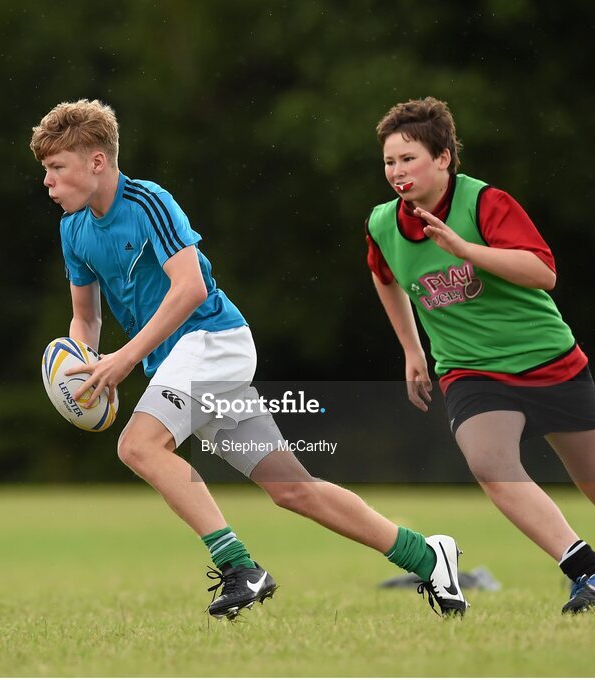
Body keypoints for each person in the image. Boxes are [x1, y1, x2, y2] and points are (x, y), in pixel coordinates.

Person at [29, 99, 466, 619]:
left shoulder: (147, 203)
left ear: (96, 162)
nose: (49, 183)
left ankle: (239, 567)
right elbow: (86, 318)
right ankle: (427, 554)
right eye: (47, 172)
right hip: (179, 362)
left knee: (138, 446)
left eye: (57, 168)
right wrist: (85, 365)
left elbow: (189, 288)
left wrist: (122, 360)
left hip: (213, 341)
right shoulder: (72, 229)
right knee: (293, 490)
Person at [365, 96, 595, 613]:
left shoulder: (486, 204)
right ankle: (593, 576)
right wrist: (412, 348)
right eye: (389, 161)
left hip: (548, 360)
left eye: (408, 158)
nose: (397, 171)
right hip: (470, 370)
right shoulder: (384, 223)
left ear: (443, 159)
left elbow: (544, 273)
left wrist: (466, 250)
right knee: (490, 464)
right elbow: (383, 274)